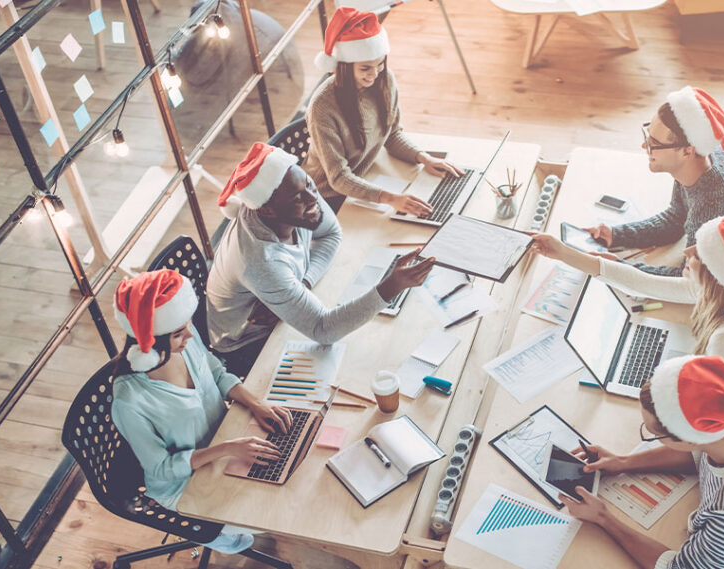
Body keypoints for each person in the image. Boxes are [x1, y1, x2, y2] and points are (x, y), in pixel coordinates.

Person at [533, 216, 724, 441]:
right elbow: (639, 281)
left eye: (698, 253)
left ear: (714, 274)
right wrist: (562, 252)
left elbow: (712, 421)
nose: (687, 251)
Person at [563, 355, 724, 569]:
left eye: (654, 434)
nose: (652, 438)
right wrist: (623, 461)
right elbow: (697, 455)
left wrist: (603, 517)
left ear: (690, 438)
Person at [206, 142, 434, 376]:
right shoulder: (260, 263)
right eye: (297, 198)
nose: (312, 197)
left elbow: (331, 234)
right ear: (268, 211)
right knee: (363, 361)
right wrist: (392, 286)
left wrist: (302, 283)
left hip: (281, 310)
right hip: (249, 342)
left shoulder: (302, 196)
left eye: (308, 183)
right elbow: (323, 331)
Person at [110, 270, 292, 553]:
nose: (190, 336)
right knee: (279, 511)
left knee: (293, 474)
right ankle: (219, 536)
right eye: (178, 333)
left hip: (225, 441)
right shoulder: (129, 401)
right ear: (150, 341)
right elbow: (161, 468)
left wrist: (256, 403)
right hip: (185, 484)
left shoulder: (185, 340)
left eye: (187, 325)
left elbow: (216, 372)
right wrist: (228, 449)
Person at [584, 86, 724, 312]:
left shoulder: (716, 206)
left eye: (654, 143)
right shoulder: (699, 164)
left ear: (687, 150)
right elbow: (676, 218)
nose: (644, 146)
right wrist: (617, 235)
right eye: (647, 135)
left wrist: (620, 268)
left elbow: (688, 281)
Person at [302, 7, 462, 215]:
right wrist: (390, 198)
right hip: (328, 197)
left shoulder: (385, 80)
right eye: (365, 68)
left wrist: (424, 158)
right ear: (343, 66)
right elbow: (338, 178)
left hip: (366, 176)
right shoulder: (322, 107)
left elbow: (392, 134)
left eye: (380, 64)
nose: (375, 74)